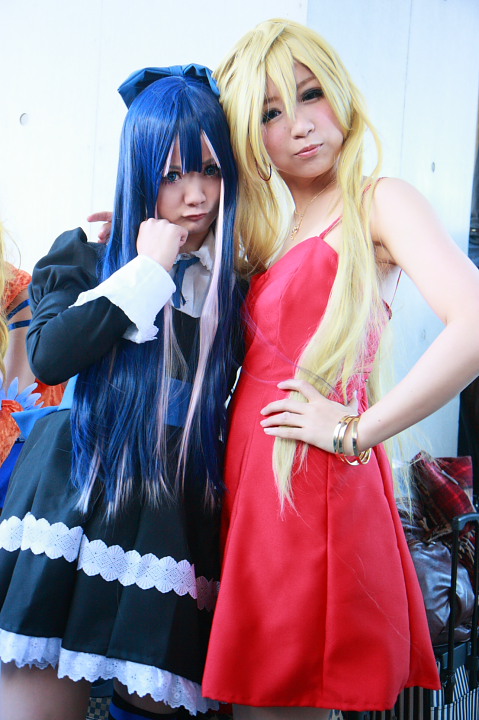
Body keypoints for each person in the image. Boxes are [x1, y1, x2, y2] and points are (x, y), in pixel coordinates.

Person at [198, 19, 479, 719]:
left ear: (339, 92)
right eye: (269, 112)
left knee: (283, 699)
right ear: (249, 137)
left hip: (309, 489)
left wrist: (356, 430)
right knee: (251, 702)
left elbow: (473, 323)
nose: (298, 124)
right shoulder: (271, 232)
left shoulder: (377, 200)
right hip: (252, 491)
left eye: (309, 93)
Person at [0, 66, 242, 720]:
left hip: (171, 506)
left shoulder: (231, 286)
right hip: (73, 488)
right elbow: (51, 356)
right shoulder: (88, 253)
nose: (196, 194)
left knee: (153, 703)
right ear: (138, 173)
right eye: (171, 174)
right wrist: (146, 269)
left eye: (210, 170)